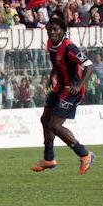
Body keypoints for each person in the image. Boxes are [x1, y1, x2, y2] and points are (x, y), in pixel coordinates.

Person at [31, 17, 96, 175]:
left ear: (63, 31)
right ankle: (49, 159)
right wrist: (52, 75)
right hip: (59, 87)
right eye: (49, 29)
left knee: (55, 125)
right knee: (45, 120)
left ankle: (85, 154)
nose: (52, 32)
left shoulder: (69, 47)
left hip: (72, 91)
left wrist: (79, 85)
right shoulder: (50, 44)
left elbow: (89, 65)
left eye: (55, 29)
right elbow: (57, 63)